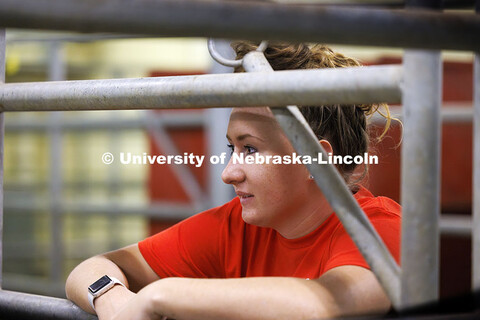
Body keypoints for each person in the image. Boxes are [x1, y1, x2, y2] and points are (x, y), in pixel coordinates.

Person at [65, 41, 401, 320]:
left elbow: (328, 303)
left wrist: (161, 295)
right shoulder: (237, 227)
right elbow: (96, 267)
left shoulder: (380, 228)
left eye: (250, 148)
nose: (228, 172)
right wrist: (111, 300)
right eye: (232, 147)